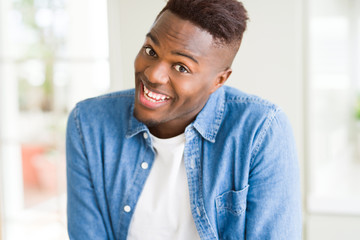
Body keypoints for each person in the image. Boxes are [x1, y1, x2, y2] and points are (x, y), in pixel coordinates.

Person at [66, 0, 302, 239]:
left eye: (181, 67)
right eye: (151, 51)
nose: (152, 74)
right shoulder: (88, 123)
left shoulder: (260, 131)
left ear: (218, 81)